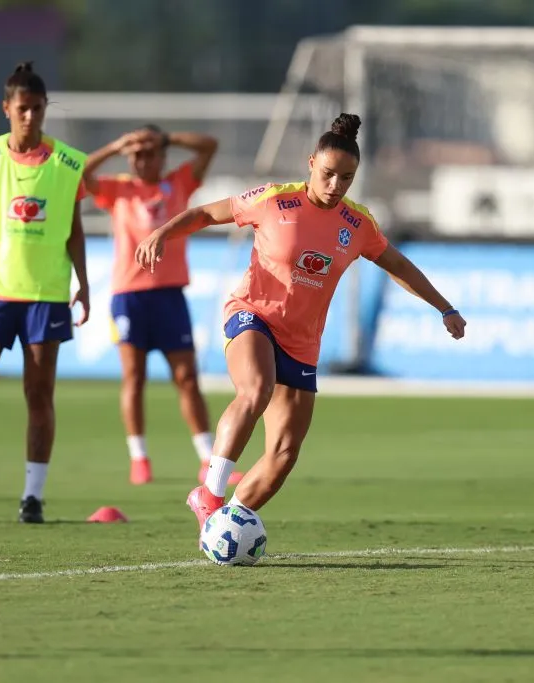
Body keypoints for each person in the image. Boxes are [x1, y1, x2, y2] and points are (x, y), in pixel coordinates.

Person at [135, 113, 467, 532]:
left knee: (284, 453)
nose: (335, 186)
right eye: (328, 174)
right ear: (311, 162)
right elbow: (205, 213)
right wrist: (162, 232)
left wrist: (445, 307)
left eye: (346, 178)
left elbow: (397, 263)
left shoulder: (357, 224)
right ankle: (210, 492)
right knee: (255, 390)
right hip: (252, 314)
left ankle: (227, 522)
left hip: (302, 341)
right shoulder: (274, 199)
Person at [0, 62, 90, 524]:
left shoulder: (69, 162)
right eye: (22, 108)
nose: (30, 116)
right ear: (7, 108)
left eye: (38, 108)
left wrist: (82, 282)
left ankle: (32, 497)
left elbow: (75, 226)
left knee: (39, 395)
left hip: (46, 295)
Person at [84, 126, 243, 486]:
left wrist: (167, 138)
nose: (141, 160)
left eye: (148, 153)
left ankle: (206, 458)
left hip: (170, 294)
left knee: (187, 378)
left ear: (161, 155)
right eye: (135, 155)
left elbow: (209, 143)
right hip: (129, 295)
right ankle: (138, 457)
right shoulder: (118, 188)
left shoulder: (179, 183)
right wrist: (114, 145)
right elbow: (81, 175)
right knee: (134, 377)